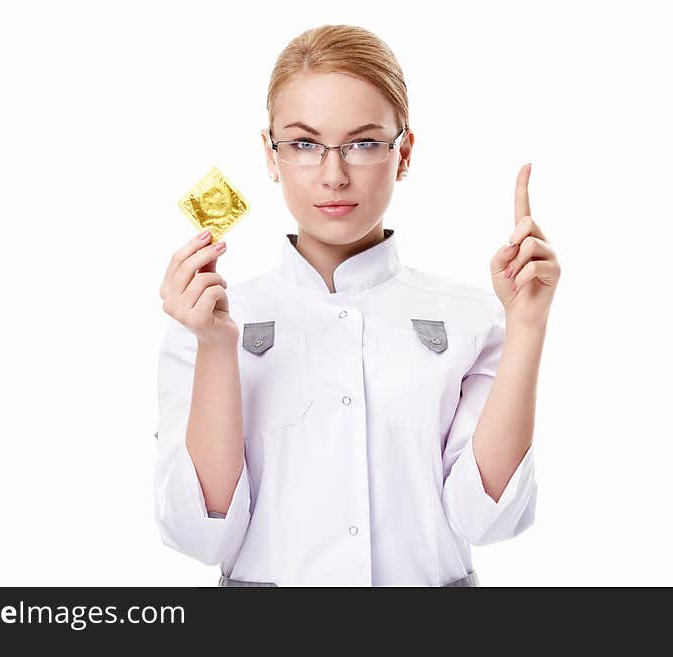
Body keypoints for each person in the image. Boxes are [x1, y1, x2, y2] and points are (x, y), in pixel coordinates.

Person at [154, 24, 561, 587]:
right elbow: (203, 536)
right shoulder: (204, 316)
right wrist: (216, 347)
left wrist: (527, 324)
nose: (333, 174)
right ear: (270, 156)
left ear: (404, 152)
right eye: (303, 143)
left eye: (364, 142)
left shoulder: (470, 316)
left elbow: (485, 518)